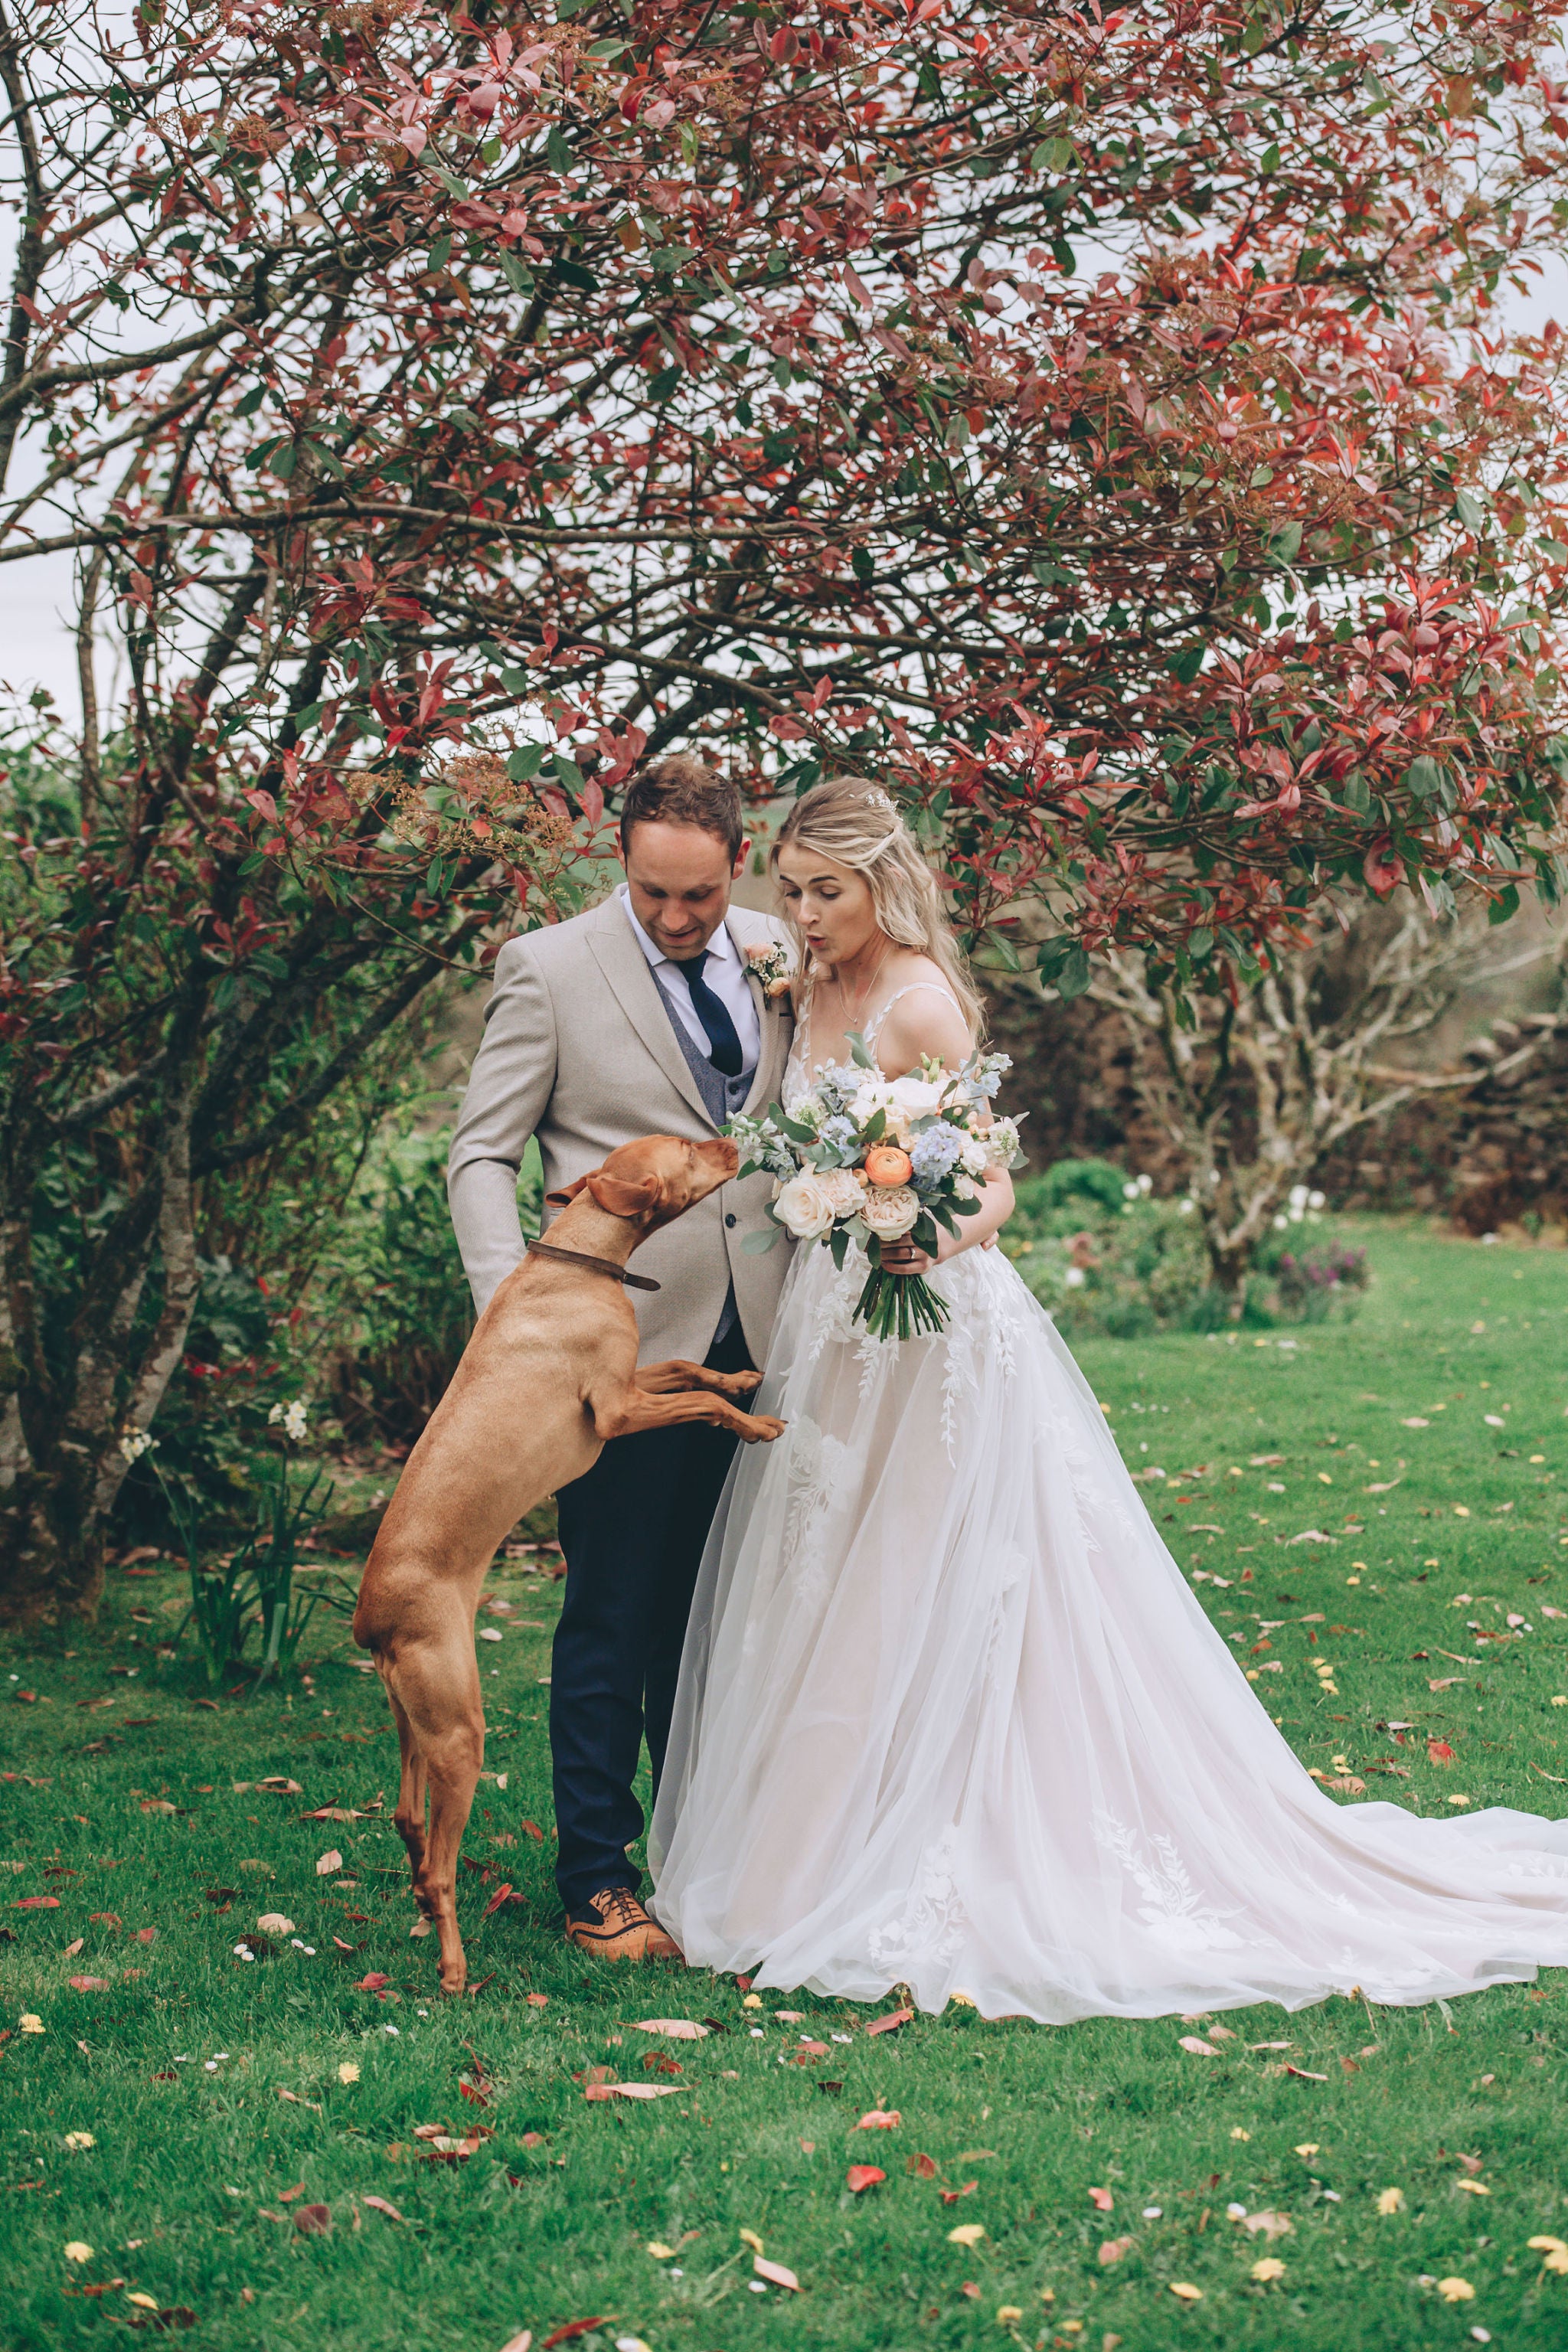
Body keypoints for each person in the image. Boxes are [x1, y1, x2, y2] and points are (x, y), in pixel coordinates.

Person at [648, 777, 1568, 2020]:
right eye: (794, 891)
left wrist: (931, 1234)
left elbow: (993, 1184)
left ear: (882, 882)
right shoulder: (797, 982)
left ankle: (946, 1831)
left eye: (829, 893)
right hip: (829, 1319)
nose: (803, 916)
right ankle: (800, 1847)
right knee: (822, 1564)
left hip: (931, 1331)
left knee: (922, 1571)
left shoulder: (922, 1002)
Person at [446, 753, 794, 1960]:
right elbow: (481, 1153)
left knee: (733, 1614)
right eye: (654, 893)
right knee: (614, 1614)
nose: (679, 918)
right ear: (624, 861)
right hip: (623, 1351)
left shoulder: (778, 943)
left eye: (698, 895)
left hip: (780, 1334)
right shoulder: (546, 968)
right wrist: (521, 1307)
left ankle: (715, 1855)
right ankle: (596, 1875)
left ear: (736, 863)